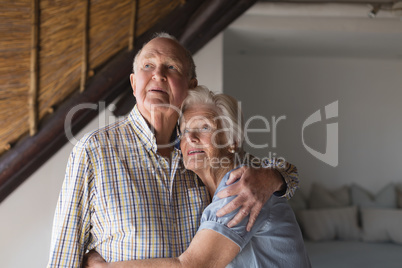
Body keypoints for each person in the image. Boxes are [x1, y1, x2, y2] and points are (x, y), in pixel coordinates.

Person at [48, 33, 299, 267]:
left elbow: (284, 173)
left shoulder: (200, 153)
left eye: (171, 66)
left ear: (190, 86)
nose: (158, 74)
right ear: (134, 84)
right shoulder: (94, 150)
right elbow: (64, 254)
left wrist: (272, 178)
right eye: (148, 66)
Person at [83, 86, 310, 268]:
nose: (190, 137)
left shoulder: (243, 189)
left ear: (232, 141)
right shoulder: (209, 192)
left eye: (204, 127)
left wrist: (103, 267)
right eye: (183, 132)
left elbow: (192, 266)